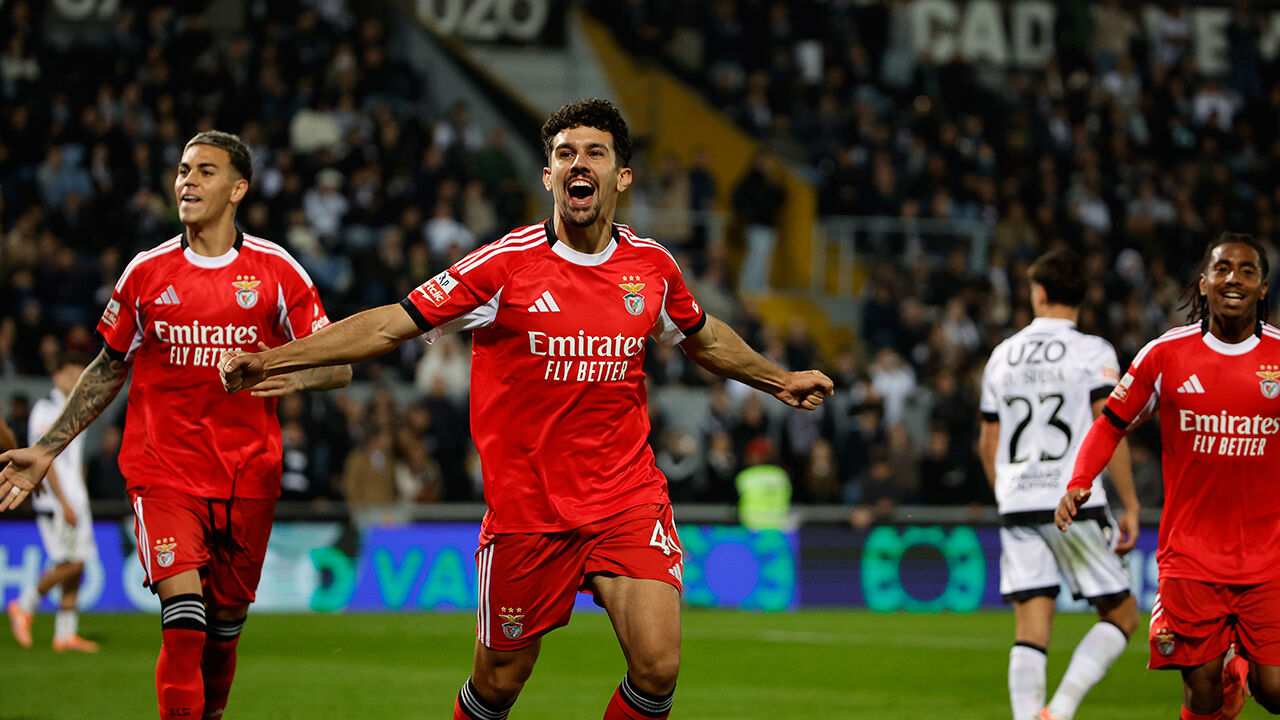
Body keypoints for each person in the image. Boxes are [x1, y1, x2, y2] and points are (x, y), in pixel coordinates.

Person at [218, 98, 834, 720]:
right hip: (529, 510)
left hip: (625, 495)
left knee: (658, 667)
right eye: (565, 154)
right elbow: (389, 326)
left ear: (622, 175)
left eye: (595, 152)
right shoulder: (505, 265)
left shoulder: (651, 267)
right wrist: (276, 357)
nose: (578, 164)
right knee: (498, 684)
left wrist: (777, 379)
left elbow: (703, 335)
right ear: (549, 176)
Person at [0, 130, 351, 720]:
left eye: (205, 171)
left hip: (247, 477)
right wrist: (46, 450)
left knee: (223, 630)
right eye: (184, 169)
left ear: (238, 189)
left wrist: (290, 375)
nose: (187, 180)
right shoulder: (146, 272)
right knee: (184, 622)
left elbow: (337, 364)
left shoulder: (276, 271)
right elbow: (108, 367)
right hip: (163, 473)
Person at [1057, 233, 1280, 720]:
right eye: (1222, 269)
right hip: (1191, 557)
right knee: (1201, 696)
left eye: (1247, 271)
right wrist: (1080, 479)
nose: (1233, 279)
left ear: (1263, 287)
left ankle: (1241, 669)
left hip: (1269, 557)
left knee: (1276, 690)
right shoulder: (1166, 355)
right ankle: (1224, 681)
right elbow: (1110, 424)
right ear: (1203, 283)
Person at [978, 249, 1141, 720]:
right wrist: (1129, 503)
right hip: (1073, 499)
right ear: (1081, 299)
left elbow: (988, 445)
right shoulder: (1093, 351)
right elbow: (1108, 428)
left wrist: (1007, 492)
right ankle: (1062, 709)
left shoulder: (1002, 355)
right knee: (1123, 615)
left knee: (1031, 626)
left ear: (1040, 292)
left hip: (1016, 501)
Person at [7, 353, 100, 653]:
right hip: (57, 502)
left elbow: (75, 463)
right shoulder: (45, 411)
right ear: (56, 375)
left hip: (75, 499)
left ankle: (65, 634)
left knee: (76, 564)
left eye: (79, 374)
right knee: (74, 563)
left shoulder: (74, 410)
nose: (75, 380)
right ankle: (24, 604)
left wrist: (80, 497)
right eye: (71, 373)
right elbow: (48, 463)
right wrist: (64, 502)